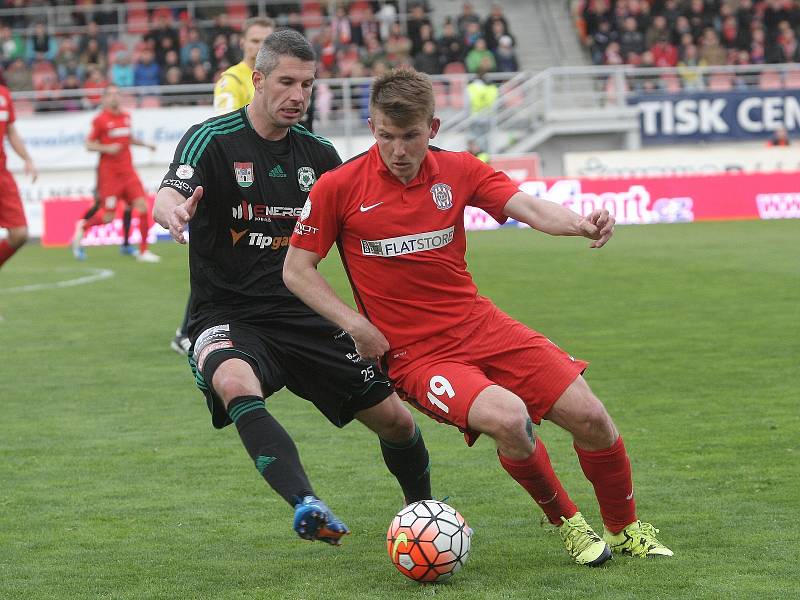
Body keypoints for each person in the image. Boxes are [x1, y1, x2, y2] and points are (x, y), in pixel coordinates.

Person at [283, 67, 673, 566]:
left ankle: (626, 529)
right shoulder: (339, 187)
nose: (398, 150)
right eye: (385, 136)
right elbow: (297, 270)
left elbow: (526, 205)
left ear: (434, 128)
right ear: (371, 126)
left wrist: (580, 222)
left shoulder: (460, 169)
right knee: (508, 419)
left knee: (592, 417)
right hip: (416, 355)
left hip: (480, 325)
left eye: (410, 137)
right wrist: (355, 325)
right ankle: (570, 525)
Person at [152, 30, 433, 545]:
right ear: (257, 80)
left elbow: (367, 221)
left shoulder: (320, 155)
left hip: (306, 315)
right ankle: (306, 503)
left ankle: (424, 516)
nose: (298, 96)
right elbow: (169, 192)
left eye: (307, 84)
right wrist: (172, 213)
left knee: (396, 422)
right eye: (286, 82)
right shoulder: (211, 140)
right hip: (227, 315)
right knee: (235, 382)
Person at [169, 16, 276, 356]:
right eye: (254, 41)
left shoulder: (279, 80)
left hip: (263, 183)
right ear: (243, 44)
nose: (259, 47)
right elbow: (224, 122)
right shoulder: (232, 80)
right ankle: (190, 328)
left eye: (266, 41)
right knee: (220, 258)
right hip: (232, 182)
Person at [71, 84, 160, 262]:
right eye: (110, 94)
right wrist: (107, 148)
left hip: (128, 172)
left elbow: (128, 139)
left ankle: (144, 251)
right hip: (110, 175)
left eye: (117, 94)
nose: (114, 97)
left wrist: (146, 145)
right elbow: (89, 144)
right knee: (107, 217)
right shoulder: (100, 120)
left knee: (143, 207)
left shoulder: (126, 116)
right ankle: (82, 228)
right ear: (104, 99)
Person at [0, 82, 37, 271]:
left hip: (2, 175)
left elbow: (10, 131)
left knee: (20, 233)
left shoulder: (4, 94)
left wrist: (27, 158)